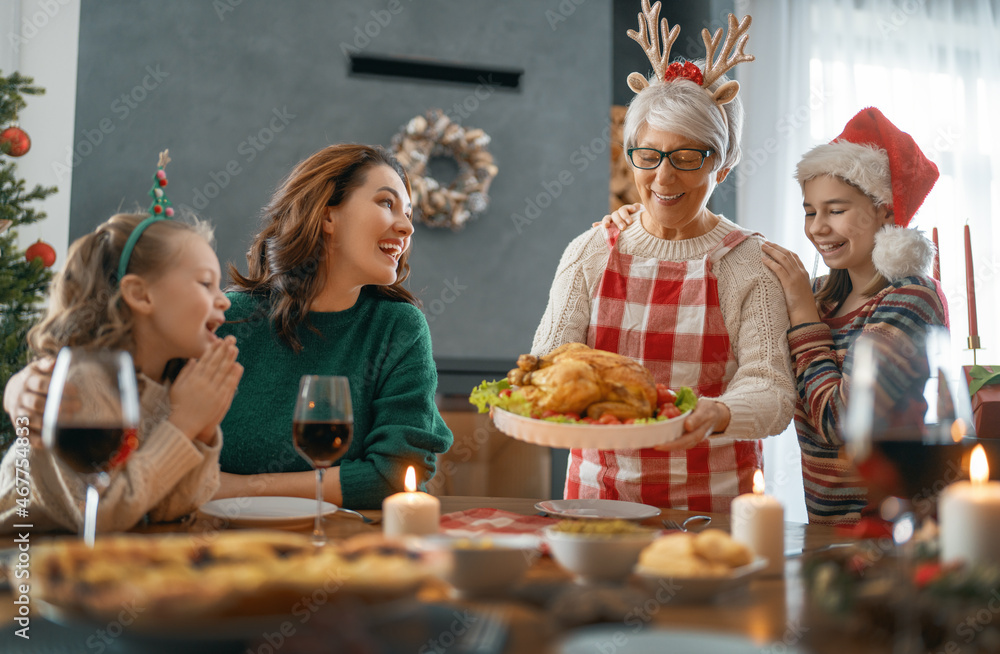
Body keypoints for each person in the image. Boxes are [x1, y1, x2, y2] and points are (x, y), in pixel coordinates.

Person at [534, 7, 795, 512]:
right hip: (597, 501)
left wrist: (715, 414)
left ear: (721, 165)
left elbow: (772, 390)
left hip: (712, 508)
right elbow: (549, 360)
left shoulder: (747, 264)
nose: (664, 178)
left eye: (688, 157)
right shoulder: (590, 250)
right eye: (649, 155)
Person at [0, 155, 243, 533]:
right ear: (141, 295)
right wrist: (184, 424)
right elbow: (101, 516)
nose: (224, 298)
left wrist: (204, 427)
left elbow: (171, 509)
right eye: (205, 283)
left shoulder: (168, 384)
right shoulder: (82, 383)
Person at [212, 144, 453, 510]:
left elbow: (397, 473)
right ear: (327, 216)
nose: (407, 226)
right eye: (387, 203)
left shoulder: (398, 328)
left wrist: (234, 488)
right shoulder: (227, 319)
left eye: (408, 212)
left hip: (347, 549)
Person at [760, 107, 947, 525]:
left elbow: (841, 422)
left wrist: (804, 318)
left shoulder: (912, 297)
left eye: (836, 210)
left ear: (883, 209)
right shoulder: (820, 299)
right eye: (811, 211)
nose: (817, 228)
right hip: (825, 529)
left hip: (892, 530)